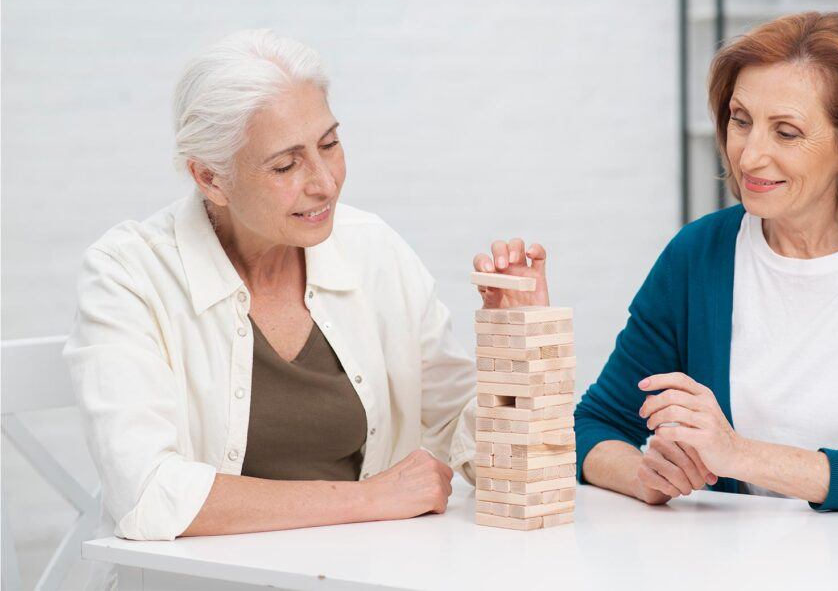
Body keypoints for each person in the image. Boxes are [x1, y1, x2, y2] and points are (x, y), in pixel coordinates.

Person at [64, 29, 547, 549]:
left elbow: (466, 439)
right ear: (210, 179)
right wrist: (369, 500)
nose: (325, 183)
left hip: (364, 575)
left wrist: (519, 346)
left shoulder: (374, 250)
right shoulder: (128, 274)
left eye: (330, 144)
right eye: (285, 165)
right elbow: (147, 494)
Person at [574, 11, 838, 515]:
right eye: (740, 121)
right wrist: (645, 477)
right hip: (735, 556)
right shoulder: (699, 253)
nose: (749, 157)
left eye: (786, 133)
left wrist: (738, 454)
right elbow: (593, 426)